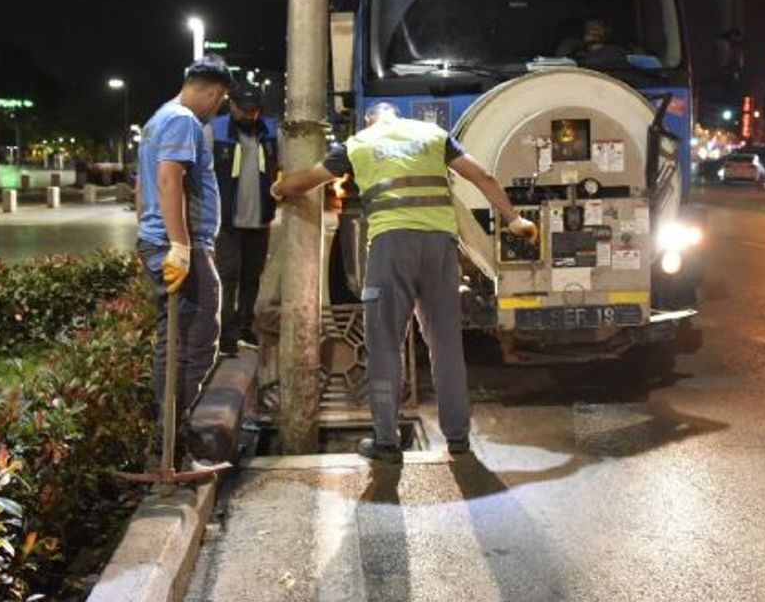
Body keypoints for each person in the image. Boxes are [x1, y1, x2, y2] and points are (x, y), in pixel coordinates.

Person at [271, 101, 538, 463]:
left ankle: (386, 442)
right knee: (445, 344)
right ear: (398, 115)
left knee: (384, 344)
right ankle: (458, 439)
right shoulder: (432, 135)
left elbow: (306, 182)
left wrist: (280, 187)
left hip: (391, 245)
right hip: (441, 247)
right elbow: (483, 177)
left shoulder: (359, 143)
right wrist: (513, 219)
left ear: (370, 119)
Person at [134, 55, 231, 467]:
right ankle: (168, 440)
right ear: (213, 92)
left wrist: (152, 233)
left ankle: (174, 433)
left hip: (159, 242)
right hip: (177, 247)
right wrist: (180, 245)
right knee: (196, 340)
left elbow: (142, 185)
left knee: (175, 339)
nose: (217, 109)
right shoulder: (183, 121)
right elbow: (169, 179)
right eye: (220, 100)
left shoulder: (158, 117)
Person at [211, 81, 281, 355]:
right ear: (232, 105)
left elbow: (282, 166)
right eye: (244, 110)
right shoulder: (213, 132)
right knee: (228, 277)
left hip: (259, 220)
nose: (250, 115)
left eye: (254, 110)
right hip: (227, 222)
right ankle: (226, 334)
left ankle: (245, 327)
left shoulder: (271, 132)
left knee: (253, 277)